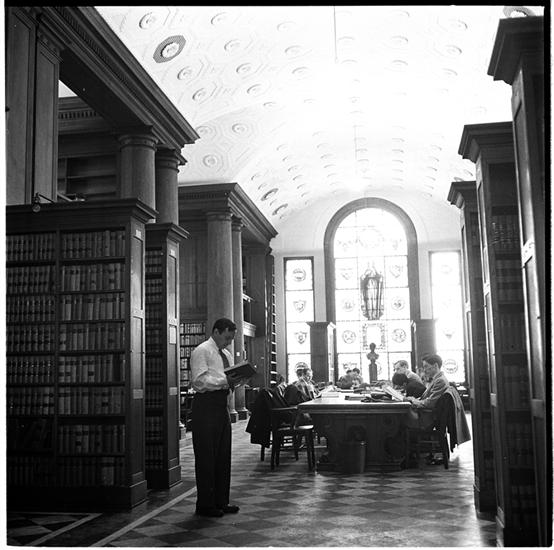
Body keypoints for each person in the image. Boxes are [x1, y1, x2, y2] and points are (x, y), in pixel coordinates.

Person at [190, 317, 246, 518]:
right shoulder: (202, 351)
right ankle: (205, 504)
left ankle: (221, 501)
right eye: (227, 338)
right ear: (216, 332)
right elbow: (199, 381)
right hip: (205, 406)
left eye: (231, 339)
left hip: (222, 406)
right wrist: (225, 380)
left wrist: (238, 380)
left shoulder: (227, 354)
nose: (229, 342)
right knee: (206, 456)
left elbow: (226, 381)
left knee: (223, 455)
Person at [403, 353, 449, 429]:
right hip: (425, 415)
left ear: (435, 366)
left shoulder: (440, 381)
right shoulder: (437, 379)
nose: (424, 370)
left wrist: (414, 401)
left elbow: (430, 403)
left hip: (426, 419)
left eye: (426, 366)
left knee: (398, 419)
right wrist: (414, 399)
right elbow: (428, 399)